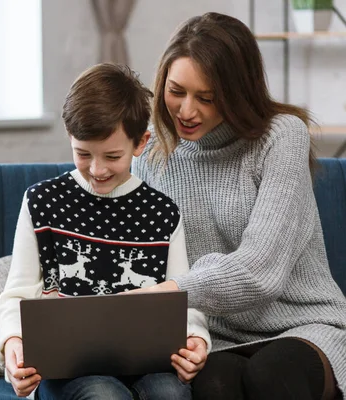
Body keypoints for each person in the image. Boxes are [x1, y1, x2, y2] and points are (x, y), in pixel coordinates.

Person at [131, 12, 346, 400]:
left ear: (237, 92)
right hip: (216, 335)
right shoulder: (149, 156)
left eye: (207, 98)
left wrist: (172, 290)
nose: (186, 111)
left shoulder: (280, 137)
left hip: (303, 324)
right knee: (215, 386)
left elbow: (259, 271)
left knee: (270, 377)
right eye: (176, 91)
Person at [0, 63, 211, 400]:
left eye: (112, 156)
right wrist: (13, 344)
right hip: (67, 370)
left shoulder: (162, 212)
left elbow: (183, 300)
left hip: (148, 364)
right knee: (105, 396)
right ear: (69, 136)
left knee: (171, 394)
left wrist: (196, 338)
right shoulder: (42, 201)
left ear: (141, 143)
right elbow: (16, 294)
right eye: (83, 153)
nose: (97, 170)